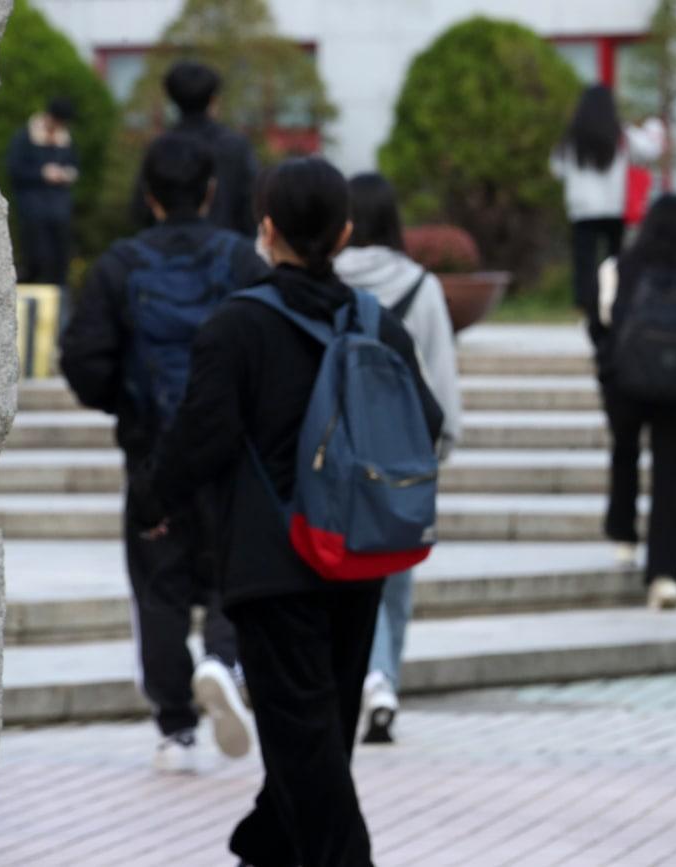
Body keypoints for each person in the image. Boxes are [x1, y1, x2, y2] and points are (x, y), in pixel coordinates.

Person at [147, 156, 442, 867]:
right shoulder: (378, 323)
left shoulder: (237, 326)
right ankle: (263, 849)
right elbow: (425, 421)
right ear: (343, 233)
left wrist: (156, 504)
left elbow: (200, 437)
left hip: (269, 565)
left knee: (308, 752)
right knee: (317, 739)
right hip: (357, 556)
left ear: (267, 229)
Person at [60, 133, 267, 773]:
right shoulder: (241, 261)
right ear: (211, 192)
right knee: (234, 574)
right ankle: (223, 662)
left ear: (147, 194)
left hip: (152, 455)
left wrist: (125, 404)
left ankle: (175, 726)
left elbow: (84, 360)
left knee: (158, 585)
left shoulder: (119, 266)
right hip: (231, 453)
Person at [335, 171, 462, 744]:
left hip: (338, 450)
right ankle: (384, 679)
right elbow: (440, 372)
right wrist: (445, 443)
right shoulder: (421, 286)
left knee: (347, 572)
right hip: (403, 451)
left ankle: (366, 676)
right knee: (396, 577)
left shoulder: (327, 279)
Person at [591, 193, 676, 611]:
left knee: (624, 454)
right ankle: (664, 574)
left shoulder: (622, 267)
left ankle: (623, 534)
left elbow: (600, 323)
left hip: (627, 384)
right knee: (669, 478)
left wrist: (609, 373)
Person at [550, 83, 665, 319]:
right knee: (615, 258)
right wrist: (654, 126)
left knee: (585, 261)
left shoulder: (572, 137)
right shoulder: (620, 133)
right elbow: (649, 151)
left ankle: (585, 304)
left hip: (582, 209)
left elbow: (556, 169)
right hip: (614, 207)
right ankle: (615, 298)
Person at [132, 60, 258, 237]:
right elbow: (251, 207)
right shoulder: (235, 146)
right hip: (228, 254)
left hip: (168, 253)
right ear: (213, 99)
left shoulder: (159, 147)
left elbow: (141, 208)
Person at [8, 97, 79, 284]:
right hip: (33, 207)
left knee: (60, 256)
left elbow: (74, 164)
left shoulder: (65, 140)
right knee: (36, 255)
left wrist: (66, 174)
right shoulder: (24, 137)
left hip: (59, 209)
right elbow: (15, 170)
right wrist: (42, 174)